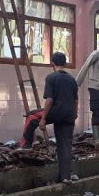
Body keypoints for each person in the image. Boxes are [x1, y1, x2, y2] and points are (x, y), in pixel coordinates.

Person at [36, 52, 79, 184]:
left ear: (52, 64)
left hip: (56, 113)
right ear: (64, 63)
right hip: (69, 114)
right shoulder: (72, 80)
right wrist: (75, 113)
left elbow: (49, 100)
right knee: (65, 145)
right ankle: (65, 177)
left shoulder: (51, 78)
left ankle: (25, 144)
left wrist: (43, 119)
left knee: (32, 118)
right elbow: (76, 99)